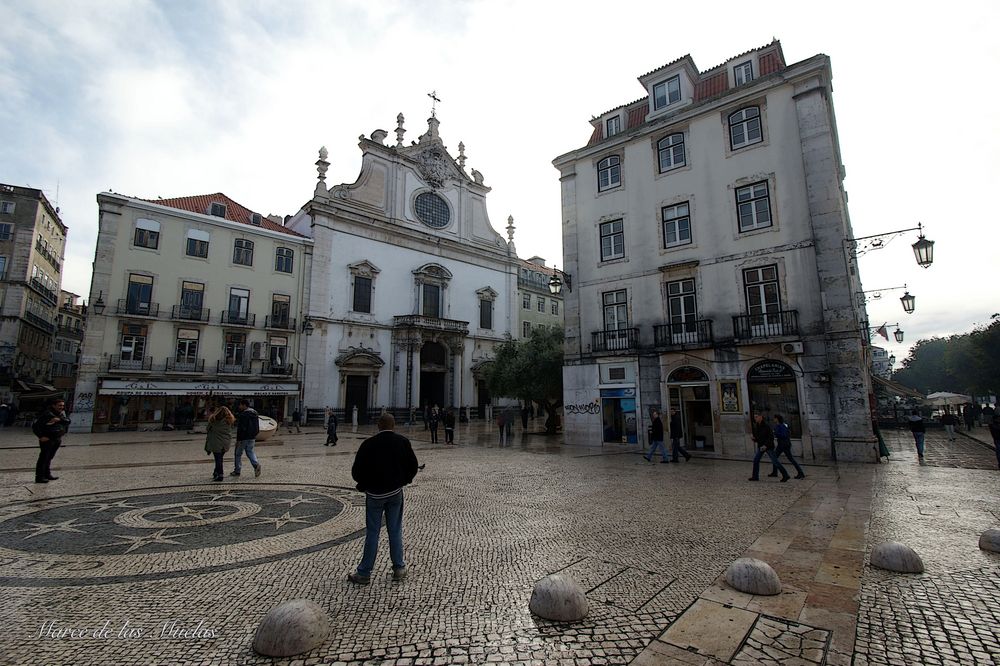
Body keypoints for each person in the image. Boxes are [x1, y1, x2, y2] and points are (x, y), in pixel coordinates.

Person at [348, 413, 419, 585]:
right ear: (393, 426)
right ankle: (399, 568)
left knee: (372, 532)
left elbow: (356, 472)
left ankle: (364, 573)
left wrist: (365, 485)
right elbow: (413, 466)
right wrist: (404, 480)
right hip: (395, 493)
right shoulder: (402, 442)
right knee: (395, 530)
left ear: (378, 426)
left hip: (374, 495)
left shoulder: (368, 444)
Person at [32, 397, 70, 484]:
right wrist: (41, 436)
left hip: (56, 439)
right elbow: (35, 426)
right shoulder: (47, 414)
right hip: (47, 439)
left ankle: (47, 474)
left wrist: (60, 419)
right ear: (54, 406)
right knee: (44, 458)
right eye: (59, 405)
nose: (61, 407)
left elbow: (67, 421)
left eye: (62, 405)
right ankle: (39, 477)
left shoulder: (60, 414)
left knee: (49, 457)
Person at [749, 413, 789, 482]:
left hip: (768, 447)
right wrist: (754, 439)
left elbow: (771, 437)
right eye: (754, 417)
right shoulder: (757, 426)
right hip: (761, 446)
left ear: (761, 417)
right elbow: (759, 437)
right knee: (756, 460)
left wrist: (766, 445)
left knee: (775, 461)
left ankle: (785, 475)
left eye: (756, 417)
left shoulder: (766, 426)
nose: (755, 418)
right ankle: (755, 476)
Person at [205, 405, 235, 482]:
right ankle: (216, 472)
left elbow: (207, 429)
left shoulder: (213, 420)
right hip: (225, 443)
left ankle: (220, 474)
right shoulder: (229, 421)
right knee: (219, 458)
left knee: (218, 459)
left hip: (216, 442)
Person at [232, 399, 262, 478]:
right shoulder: (255, 414)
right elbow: (257, 426)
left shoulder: (243, 415)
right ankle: (256, 465)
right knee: (250, 452)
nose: (239, 407)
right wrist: (255, 434)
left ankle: (237, 470)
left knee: (238, 453)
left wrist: (238, 440)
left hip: (243, 438)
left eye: (240, 405)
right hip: (252, 437)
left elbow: (241, 428)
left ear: (244, 405)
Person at [770, 414, 805, 478]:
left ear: (777, 419)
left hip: (783, 444)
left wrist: (775, 433)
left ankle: (800, 473)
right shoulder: (780, 425)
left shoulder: (781, 426)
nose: (773, 419)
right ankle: (774, 472)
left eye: (774, 418)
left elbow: (784, 435)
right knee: (775, 457)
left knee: (776, 458)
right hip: (783, 444)